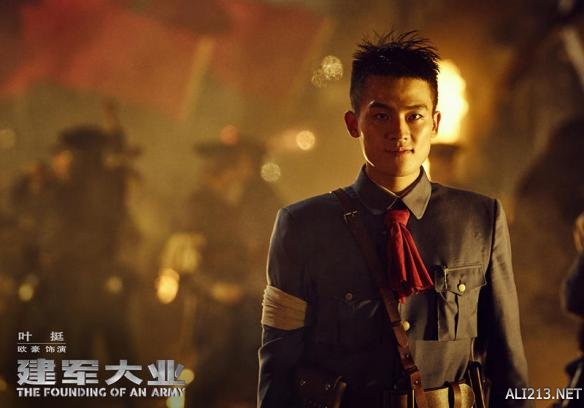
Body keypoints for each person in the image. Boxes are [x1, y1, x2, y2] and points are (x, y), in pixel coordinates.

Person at [258, 31, 530, 407]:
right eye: (381, 115)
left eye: (414, 116)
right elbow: (279, 367)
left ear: (435, 122)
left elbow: (506, 362)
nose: (399, 132)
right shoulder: (303, 226)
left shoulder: (479, 220)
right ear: (353, 123)